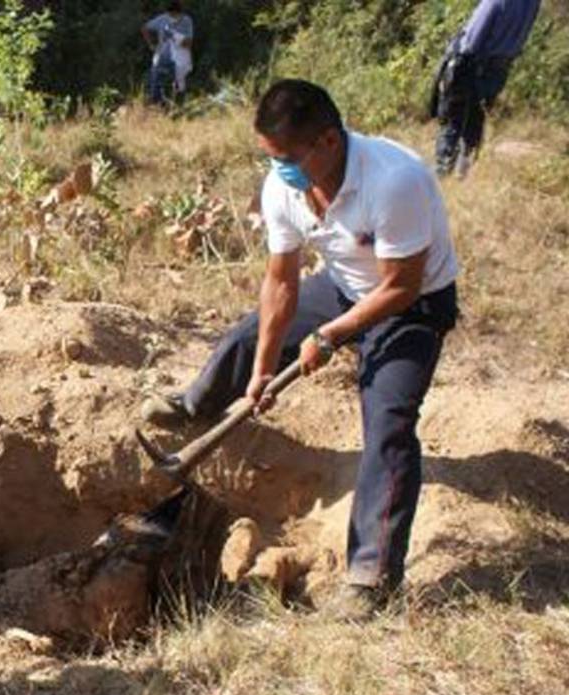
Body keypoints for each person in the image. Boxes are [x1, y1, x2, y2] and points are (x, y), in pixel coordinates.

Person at [142, 80, 460, 620]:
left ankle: (372, 578)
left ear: (328, 142)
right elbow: (282, 283)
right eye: (270, 157)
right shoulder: (282, 187)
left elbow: (401, 285)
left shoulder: (394, 180)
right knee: (247, 336)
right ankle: (199, 404)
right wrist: (264, 369)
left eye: (287, 157)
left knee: (388, 422)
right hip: (343, 285)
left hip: (413, 304)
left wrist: (330, 336)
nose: (278, 169)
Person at [432, 0, 541, 177]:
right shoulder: (533, 3)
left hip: (471, 63)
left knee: (453, 118)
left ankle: (442, 173)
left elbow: (472, 41)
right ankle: (463, 172)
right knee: (476, 118)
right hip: (500, 67)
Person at [142, 2, 194, 105]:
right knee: (154, 83)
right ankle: (157, 107)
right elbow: (145, 28)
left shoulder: (186, 21)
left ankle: (179, 107)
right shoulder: (163, 19)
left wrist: (174, 36)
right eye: (171, 15)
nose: (172, 18)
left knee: (178, 86)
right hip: (162, 57)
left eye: (175, 16)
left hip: (180, 58)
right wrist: (151, 45)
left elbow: (188, 43)